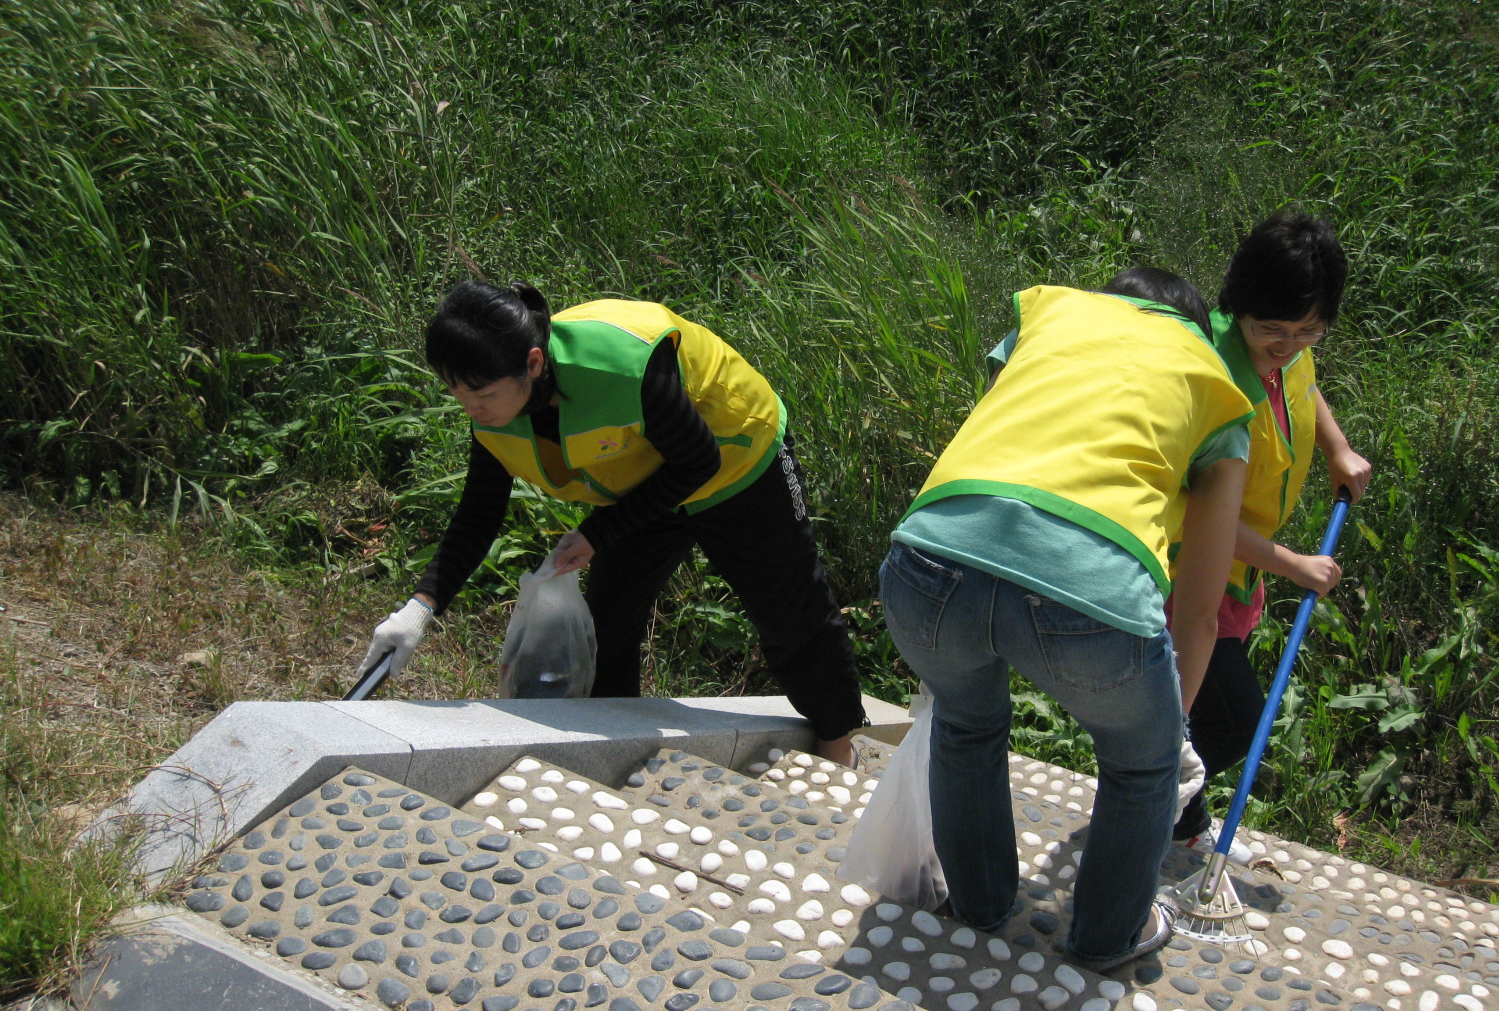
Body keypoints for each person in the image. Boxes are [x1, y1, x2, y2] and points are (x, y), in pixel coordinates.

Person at [878, 267, 1253, 972]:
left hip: (927, 563)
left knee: (965, 723)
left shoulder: (1050, 317)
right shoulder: (1215, 385)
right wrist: (1167, 732)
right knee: (1142, 767)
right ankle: (1105, 941)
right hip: (1092, 594)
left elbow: (1001, 438)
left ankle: (979, 908)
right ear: (1196, 332)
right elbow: (1202, 610)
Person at [358, 281, 867, 764]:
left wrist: (597, 533)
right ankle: (618, 749)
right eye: (457, 392)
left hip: (736, 460)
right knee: (605, 626)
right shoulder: (492, 411)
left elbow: (698, 462)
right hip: (644, 483)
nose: (472, 408)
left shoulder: (622, 364)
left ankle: (837, 741)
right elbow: (478, 514)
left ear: (532, 363)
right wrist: (419, 609)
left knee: (789, 607)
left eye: (482, 394)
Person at [1171, 212, 1373, 862]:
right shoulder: (1215, 373)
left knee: (1193, 713)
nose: (1289, 345)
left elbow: (1304, 383)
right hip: (1188, 574)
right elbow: (1203, 515)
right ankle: (1146, 796)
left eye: (1309, 331)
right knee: (1231, 720)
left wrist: (1338, 449)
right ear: (1241, 305)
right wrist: (1293, 564)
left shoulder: (1286, 344)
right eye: (1274, 331)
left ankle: (1174, 818)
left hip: (1239, 572)